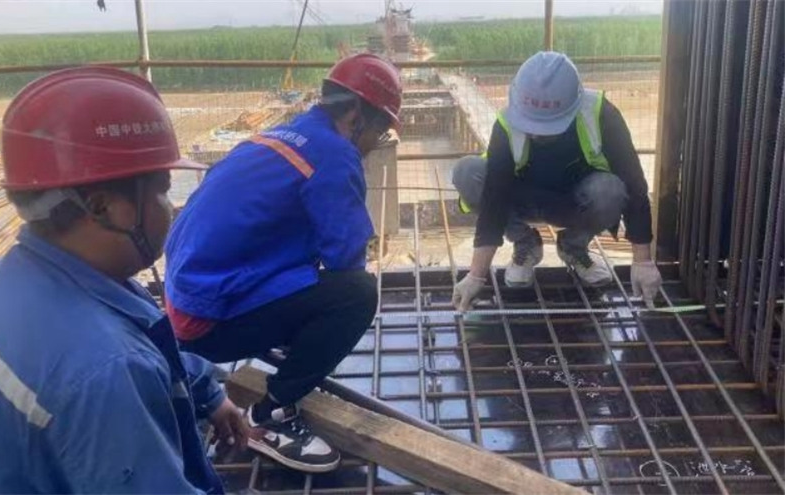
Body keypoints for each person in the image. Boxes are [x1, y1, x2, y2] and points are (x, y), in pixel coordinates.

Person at [0, 67, 249, 494]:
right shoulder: (106, 370)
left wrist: (209, 393)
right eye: (162, 190)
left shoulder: (19, 276)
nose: (171, 207)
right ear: (102, 207)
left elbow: (143, 331)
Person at [164, 53, 402, 473]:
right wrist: (322, 339)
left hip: (183, 305)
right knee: (356, 295)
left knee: (316, 276)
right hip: (208, 324)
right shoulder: (334, 154)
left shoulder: (276, 136)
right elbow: (347, 259)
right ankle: (271, 416)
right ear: (354, 115)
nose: (373, 143)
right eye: (379, 129)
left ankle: (289, 351)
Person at [452, 51, 662, 311]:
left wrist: (643, 261)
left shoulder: (599, 114)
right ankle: (526, 244)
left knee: (610, 190)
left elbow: (634, 185)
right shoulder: (507, 123)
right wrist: (476, 275)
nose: (537, 134)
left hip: (575, 201)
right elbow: (494, 197)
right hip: (522, 199)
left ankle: (574, 247)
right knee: (467, 172)